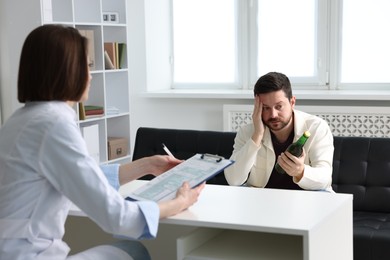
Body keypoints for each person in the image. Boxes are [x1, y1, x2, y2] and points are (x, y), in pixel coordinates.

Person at [0, 24, 205, 260]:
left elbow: (84, 176)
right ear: (68, 70)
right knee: (135, 250)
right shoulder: (54, 125)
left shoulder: (21, 120)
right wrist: (179, 203)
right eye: (86, 66)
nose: (90, 75)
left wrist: (146, 165)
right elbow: (118, 218)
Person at [224, 72, 334, 192]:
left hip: (306, 199)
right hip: (263, 201)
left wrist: (300, 171)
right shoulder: (248, 132)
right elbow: (233, 180)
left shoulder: (316, 127)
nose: (273, 115)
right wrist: (257, 136)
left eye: (279, 106)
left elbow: (325, 178)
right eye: (266, 108)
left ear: (292, 102)